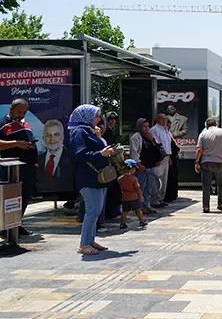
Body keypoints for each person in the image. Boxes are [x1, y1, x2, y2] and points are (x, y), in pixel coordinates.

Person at [68, 104, 117, 255]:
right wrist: (101, 154)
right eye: (95, 116)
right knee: (92, 210)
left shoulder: (90, 131)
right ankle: (84, 244)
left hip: (97, 177)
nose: (98, 119)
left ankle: (90, 240)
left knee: (96, 210)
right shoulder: (79, 132)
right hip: (88, 177)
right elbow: (79, 155)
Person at [0, 98, 37, 238]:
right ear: (11, 109)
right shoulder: (1, 124)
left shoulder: (24, 123)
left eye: (24, 112)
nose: (21, 115)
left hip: (28, 166)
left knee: (25, 197)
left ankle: (16, 224)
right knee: (11, 198)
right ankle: (6, 229)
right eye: (19, 112)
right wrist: (16, 143)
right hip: (13, 168)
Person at [195, 118, 222, 213]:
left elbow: (199, 150)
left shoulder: (203, 134)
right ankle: (220, 203)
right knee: (221, 183)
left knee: (206, 185)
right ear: (216, 124)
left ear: (206, 125)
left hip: (206, 162)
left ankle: (206, 206)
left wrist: (196, 162)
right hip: (220, 162)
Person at [129, 118, 163, 214]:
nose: (147, 128)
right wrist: (138, 164)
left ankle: (146, 204)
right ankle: (139, 206)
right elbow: (134, 152)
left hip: (151, 165)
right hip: (142, 166)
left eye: (148, 126)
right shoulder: (136, 137)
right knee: (141, 186)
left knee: (149, 186)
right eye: (144, 126)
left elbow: (156, 148)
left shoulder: (150, 136)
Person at [149, 114, 172, 208]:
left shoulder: (165, 130)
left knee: (164, 179)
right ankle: (154, 200)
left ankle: (161, 199)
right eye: (162, 119)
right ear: (157, 119)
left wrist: (169, 156)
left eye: (165, 119)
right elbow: (156, 145)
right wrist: (157, 158)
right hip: (159, 158)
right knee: (157, 179)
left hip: (166, 156)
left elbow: (168, 144)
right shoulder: (155, 130)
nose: (164, 120)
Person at [119, 159, 147, 230]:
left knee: (124, 211)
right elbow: (138, 188)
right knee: (138, 210)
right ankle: (141, 221)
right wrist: (141, 196)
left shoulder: (120, 178)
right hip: (133, 197)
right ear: (132, 169)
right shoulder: (133, 178)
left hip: (125, 197)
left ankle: (122, 223)